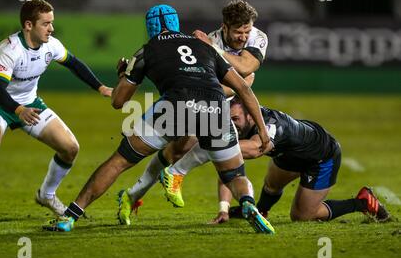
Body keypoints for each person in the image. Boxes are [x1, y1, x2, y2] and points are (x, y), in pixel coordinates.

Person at [43, 4, 274, 234]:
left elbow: (118, 102)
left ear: (149, 28)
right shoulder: (205, 46)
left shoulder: (146, 51)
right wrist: (262, 130)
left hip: (175, 106)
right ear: (176, 24)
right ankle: (247, 203)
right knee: (234, 175)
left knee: (120, 161)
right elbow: (244, 88)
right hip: (215, 107)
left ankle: (70, 217)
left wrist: (123, 74)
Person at [0, 0, 112, 223]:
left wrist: (101, 87)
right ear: (29, 25)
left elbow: (74, 64)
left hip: (30, 103)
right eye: (46, 23)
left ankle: (46, 195)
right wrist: (18, 110)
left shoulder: (52, 45)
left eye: (52, 23)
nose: (52, 28)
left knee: (70, 148)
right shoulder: (9, 49)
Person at [118, 0, 268, 219]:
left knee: (230, 149)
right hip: (210, 100)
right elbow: (211, 82)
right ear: (224, 26)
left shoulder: (255, 37)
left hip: (233, 102)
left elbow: (246, 68)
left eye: (247, 31)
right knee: (182, 148)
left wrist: (214, 49)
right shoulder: (210, 39)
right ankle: (139, 192)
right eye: (238, 32)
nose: (243, 37)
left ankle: (156, 186)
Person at [161, 96, 391, 224]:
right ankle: (259, 211)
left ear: (251, 115)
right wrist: (223, 208)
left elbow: (252, 150)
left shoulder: (270, 126)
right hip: (291, 153)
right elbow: (229, 169)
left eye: (235, 119)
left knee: (301, 216)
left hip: (321, 157)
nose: (232, 125)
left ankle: (361, 202)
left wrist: (213, 145)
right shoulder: (245, 123)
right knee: (271, 185)